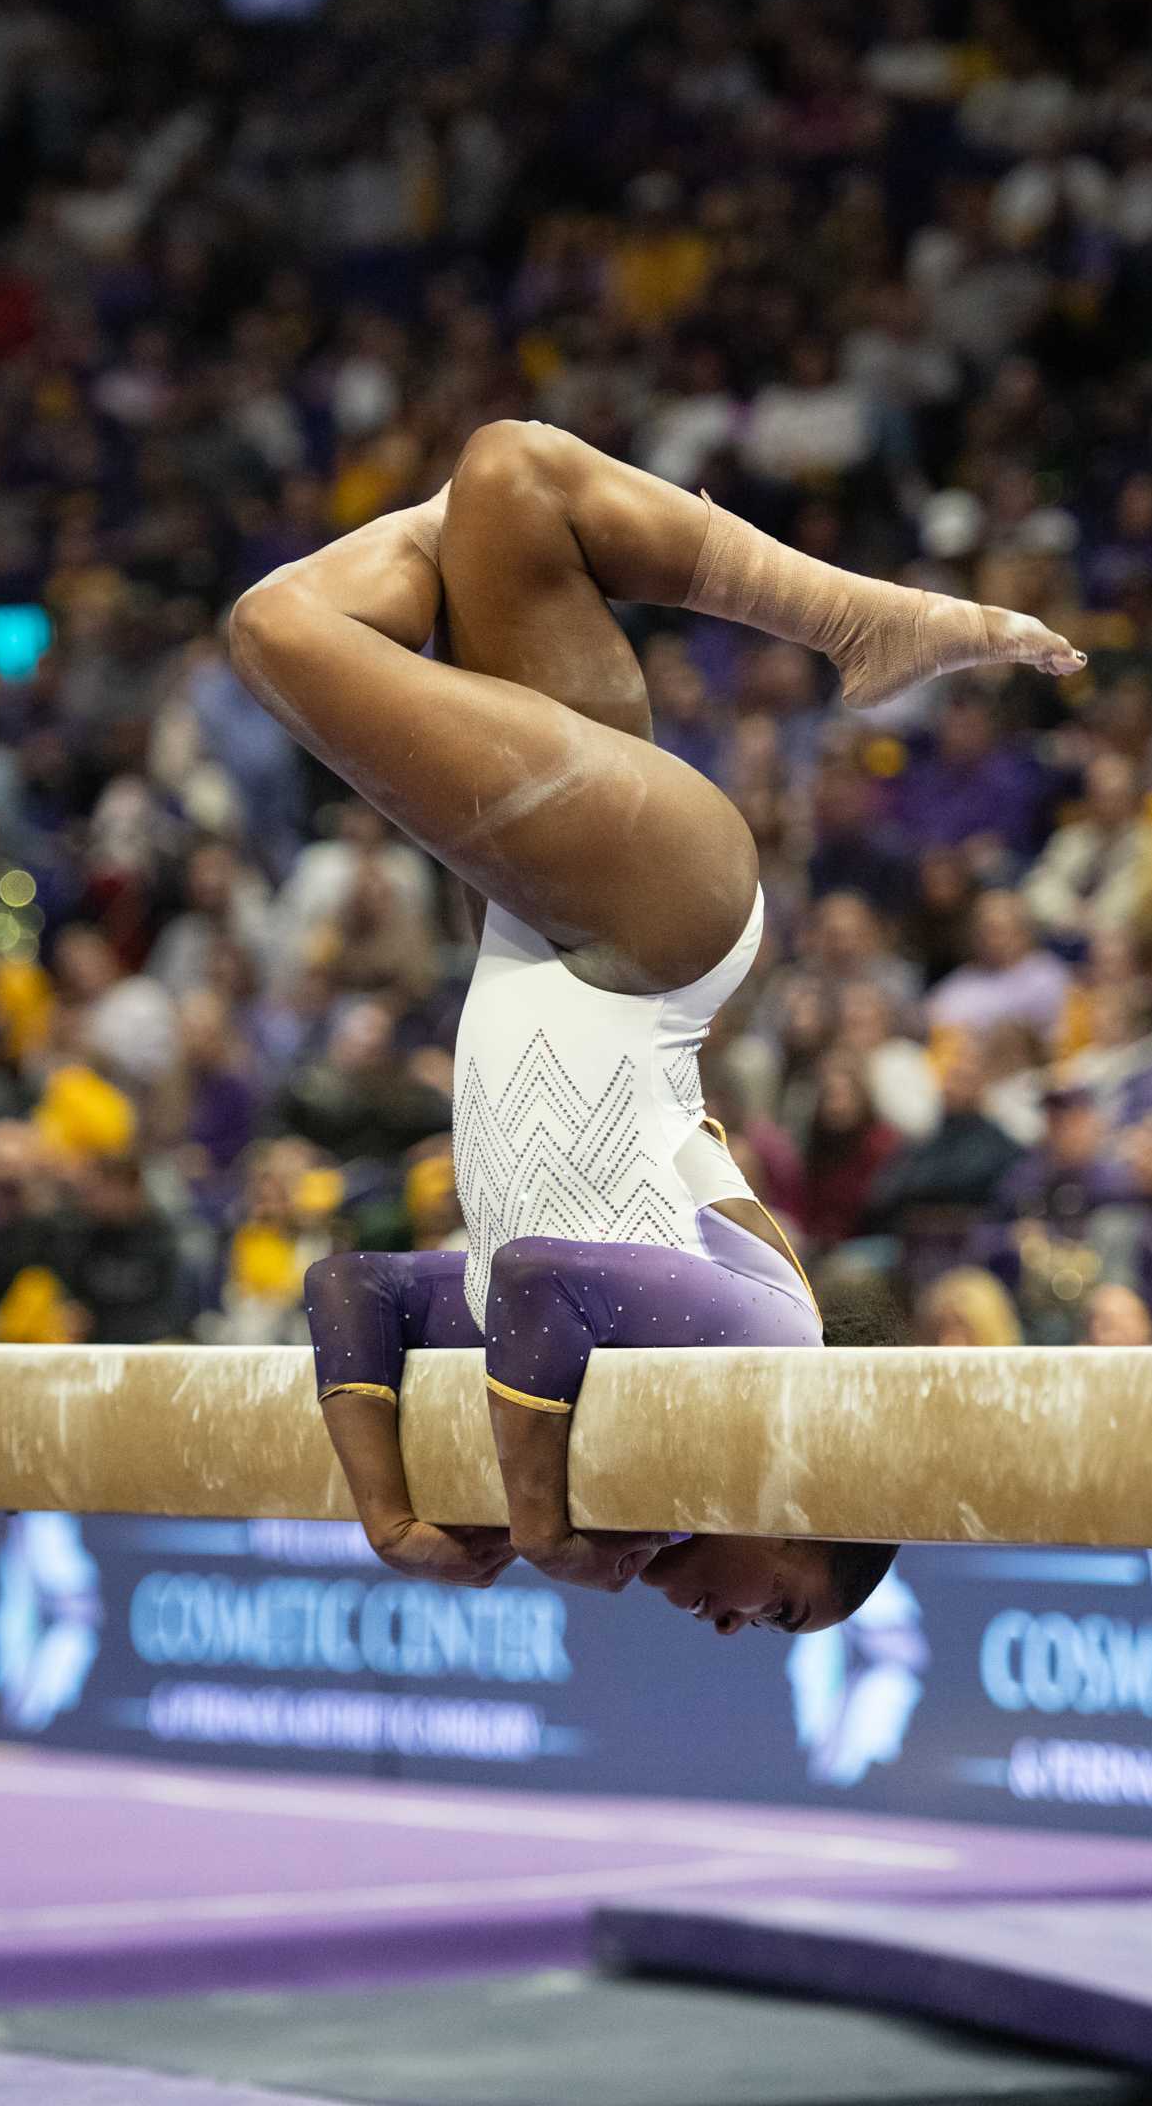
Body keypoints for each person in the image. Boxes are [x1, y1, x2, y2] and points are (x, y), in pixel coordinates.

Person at [231, 419, 1079, 1625]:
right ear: (796, 1514)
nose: (731, 1627)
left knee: (509, 487)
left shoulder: (614, 1373)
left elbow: (353, 1287)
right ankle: (860, 620)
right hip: (652, 928)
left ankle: (462, 529)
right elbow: (531, 1280)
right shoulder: (762, 1355)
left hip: (554, 924)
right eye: (781, 1610)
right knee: (278, 630)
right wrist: (541, 1527)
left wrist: (393, 1519)